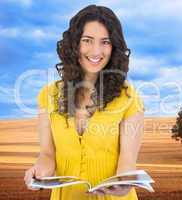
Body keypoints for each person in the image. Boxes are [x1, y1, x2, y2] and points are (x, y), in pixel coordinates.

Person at [23, 4, 145, 200]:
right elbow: (47, 154)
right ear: (74, 44)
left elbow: (127, 161)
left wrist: (124, 183)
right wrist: (39, 171)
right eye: (87, 40)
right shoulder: (48, 95)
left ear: (114, 47)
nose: (96, 51)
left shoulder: (129, 97)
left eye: (105, 42)